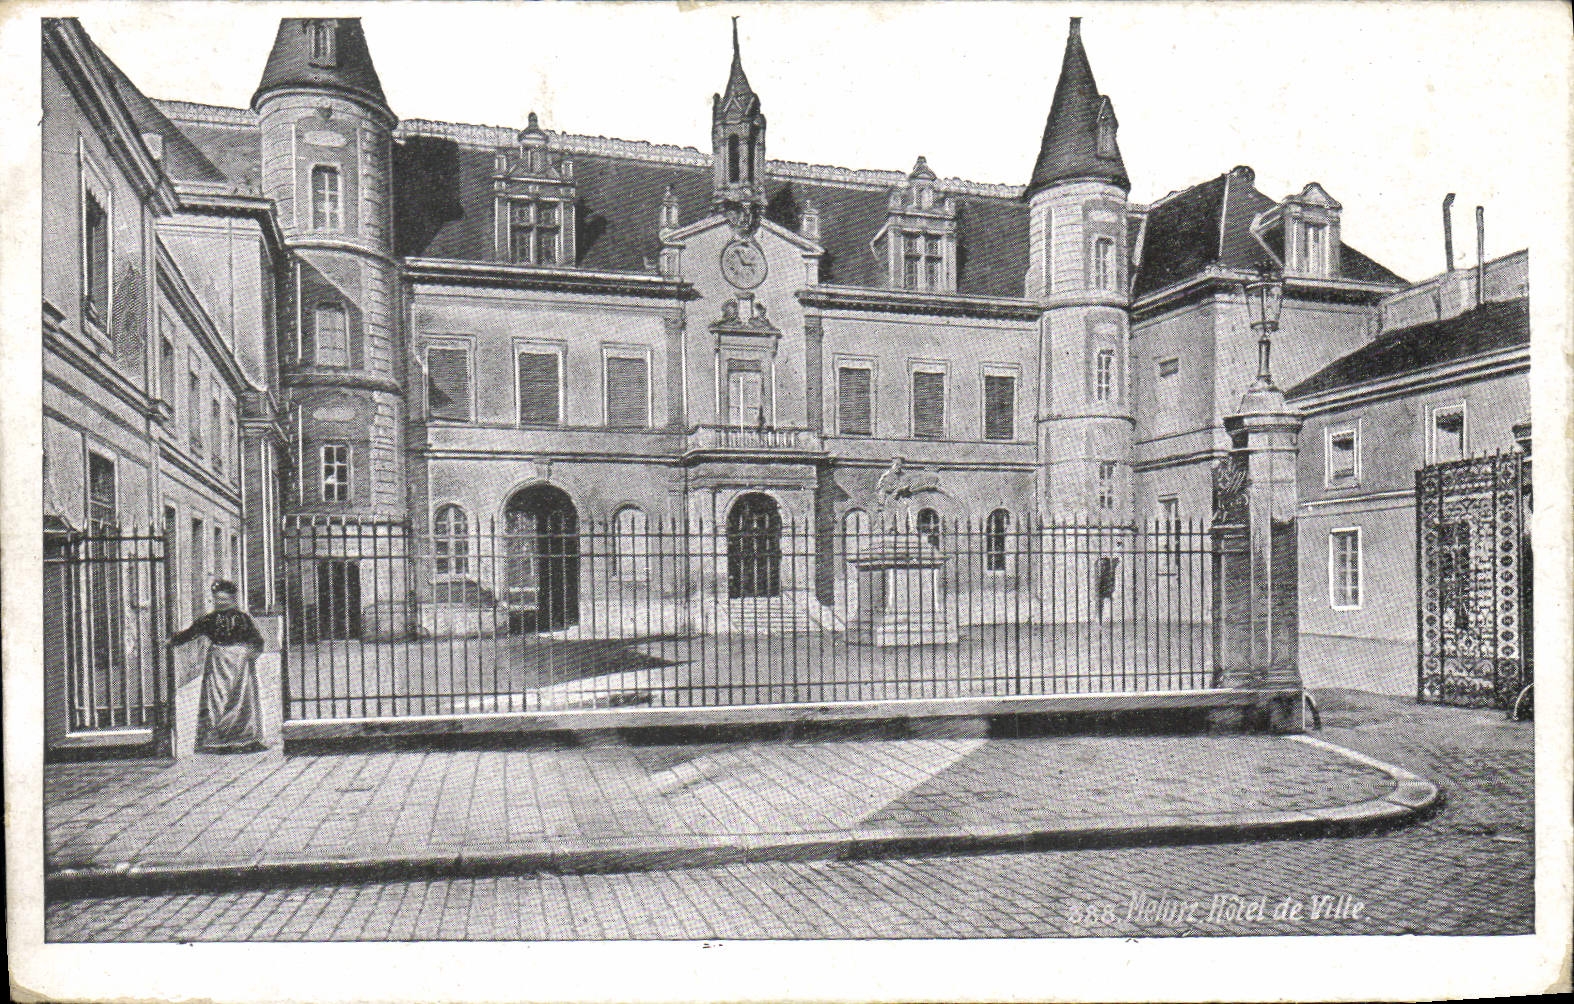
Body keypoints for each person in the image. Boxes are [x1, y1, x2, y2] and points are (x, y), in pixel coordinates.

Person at [167, 580, 267, 752]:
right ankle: (216, 739)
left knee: (242, 700)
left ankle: (244, 738)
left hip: (240, 665)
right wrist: (172, 641)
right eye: (218, 600)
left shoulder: (243, 618)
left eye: (225, 599)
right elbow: (191, 632)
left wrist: (250, 654)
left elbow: (257, 640)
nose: (221, 603)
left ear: (233, 599)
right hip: (217, 664)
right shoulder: (209, 619)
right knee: (216, 700)